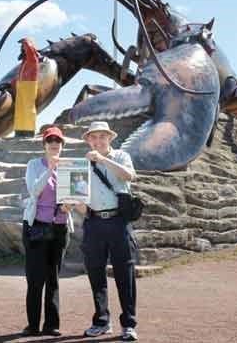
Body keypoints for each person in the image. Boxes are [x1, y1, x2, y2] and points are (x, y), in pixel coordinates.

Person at [74, 121, 139, 341]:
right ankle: (102, 321)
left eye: (103, 136)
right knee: (95, 273)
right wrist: (72, 202)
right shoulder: (80, 165)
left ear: (110, 138)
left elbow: (129, 176)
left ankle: (129, 324)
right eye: (94, 137)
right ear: (88, 140)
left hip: (118, 222)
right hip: (93, 223)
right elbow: (80, 202)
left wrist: (102, 159)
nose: (98, 140)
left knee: (125, 273)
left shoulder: (121, 156)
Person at [21, 126, 74, 337]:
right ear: (44, 144)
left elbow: (75, 195)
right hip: (36, 228)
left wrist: (70, 204)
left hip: (60, 228)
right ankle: (32, 325)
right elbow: (34, 190)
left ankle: (52, 325)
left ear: (62, 145)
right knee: (35, 279)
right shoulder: (34, 165)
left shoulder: (70, 167)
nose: (54, 143)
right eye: (50, 140)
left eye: (58, 141)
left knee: (53, 278)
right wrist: (50, 168)